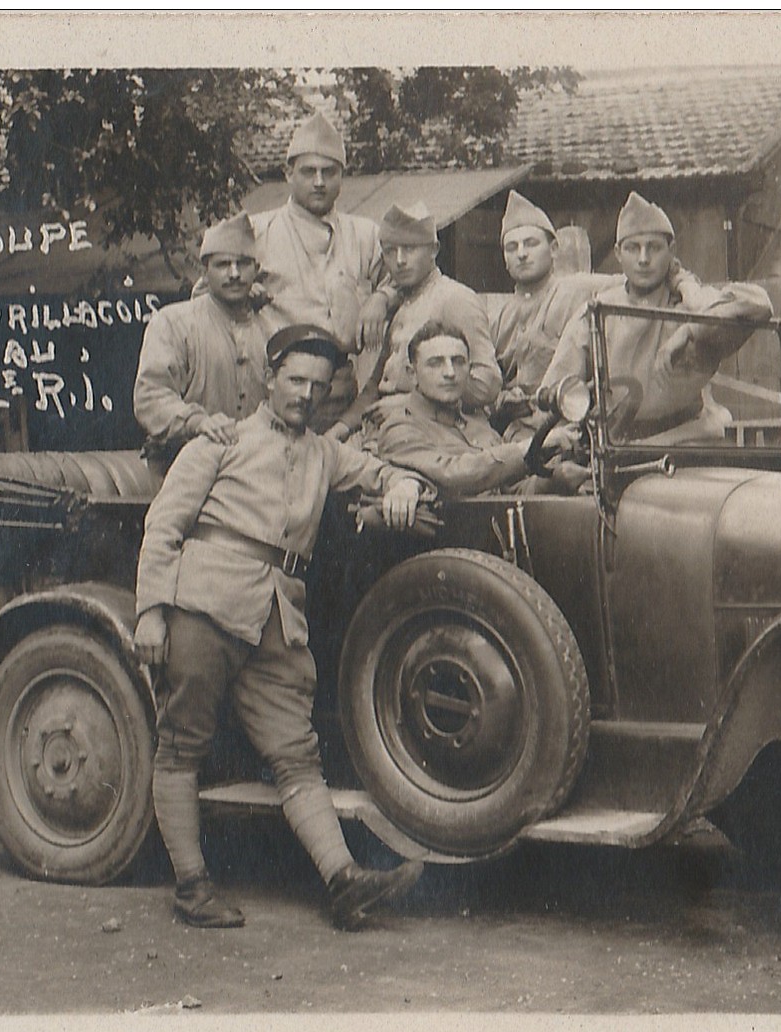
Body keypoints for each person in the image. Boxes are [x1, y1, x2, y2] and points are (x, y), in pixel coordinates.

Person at [133, 319, 430, 931]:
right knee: (182, 742)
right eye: (294, 380)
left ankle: (343, 882)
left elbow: (381, 473)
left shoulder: (325, 452)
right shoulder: (218, 442)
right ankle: (192, 886)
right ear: (269, 380)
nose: (305, 395)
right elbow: (163, 526)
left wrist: (401, 482)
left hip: (277, 619)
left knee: (296, 755)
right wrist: (152, 613)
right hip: (206, 605)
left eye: (317, 386)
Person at [539, 191, 773, 446]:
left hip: (688, 443)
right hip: (619, 447)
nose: (643, 259)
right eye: (632, 248)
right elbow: (555, 391)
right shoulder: (596, 312)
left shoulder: (687, 304)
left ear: (671, 251)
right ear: (618, 253)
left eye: (654, 247)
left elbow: (758, 305)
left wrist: (689, 317)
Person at [245, 111, 394, 436]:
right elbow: (208, 294)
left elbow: (403, 277)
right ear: (288, 173)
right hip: (274, 391)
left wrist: (381, 297)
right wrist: (244, 296)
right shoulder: (257, 232)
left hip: (337, 391)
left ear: (342, 175)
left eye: (329, 172)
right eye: (308, 171)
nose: (319, 182)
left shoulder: (365, 234)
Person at [338, 202, 502, 438]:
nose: (400, 260)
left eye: (410, 249)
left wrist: (412, 403)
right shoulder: (400, 302)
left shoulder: (455, 298)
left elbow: (487, 384)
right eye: (390, 251)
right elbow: (376, 385)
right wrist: (338, 432)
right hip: (387, 431)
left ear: (434, 250)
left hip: (438, 435)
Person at [375, 319, 583, 498]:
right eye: (435, 363)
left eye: (458, 362)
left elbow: (507, 493)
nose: (450, 372)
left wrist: (556, 479)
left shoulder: (477, 421)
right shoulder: (399, 429)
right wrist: (529, 445)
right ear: (412, 374)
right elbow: (457, 475)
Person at [133, 214, 273, 462]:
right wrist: (197, 421)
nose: (234, 274)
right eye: (222, 265)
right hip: (181, 461)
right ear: (205, 271)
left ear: (257, 269)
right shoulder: (175, 323)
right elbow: (150, 396)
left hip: (252, 466)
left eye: (243, 263)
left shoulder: (269, 331)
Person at [488, 190, 620, 397]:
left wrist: (683, 284)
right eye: (511, 247)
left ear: (554, 249)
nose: (521, 254)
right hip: (515, 425)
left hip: (569, 418)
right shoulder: (501, 318)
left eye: (531, 243)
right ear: (504, 258)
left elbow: (640, 281)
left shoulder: (579, 289)